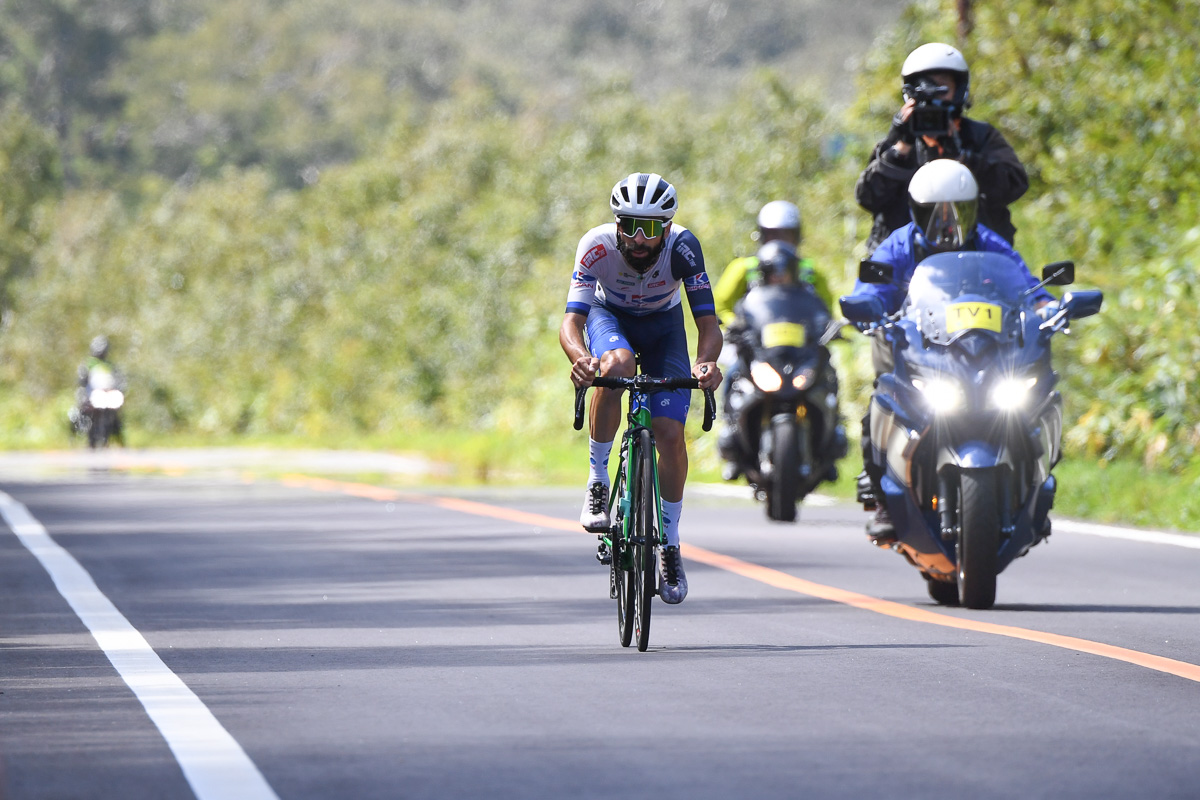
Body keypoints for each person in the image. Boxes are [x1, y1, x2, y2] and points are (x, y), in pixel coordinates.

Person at [845, 159, 1053, 542]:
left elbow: (1028, 288)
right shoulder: (899, 244)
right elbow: (869, 290)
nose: (947, 224)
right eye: (935, 213)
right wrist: (868, 308)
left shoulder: (990, 243)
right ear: (915, 211)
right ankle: (881, 498)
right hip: (914, 349)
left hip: (981, 351)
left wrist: (1047, 308)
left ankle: (1032, 489)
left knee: (1031, 402)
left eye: (958, 212)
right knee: (883, 401)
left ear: (973, 208)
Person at [559, 172, 723, 604]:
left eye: (649, 228)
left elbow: (707, 323)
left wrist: (706, 363)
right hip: (608, 317)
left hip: (664, 329)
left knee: (669, 435)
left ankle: (669, 544)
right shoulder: (596, 246)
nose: (636, 238)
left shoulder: (684, 247)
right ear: (616, 224)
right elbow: (571, 322)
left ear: (666, 228)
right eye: (628, 224)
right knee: (616, 365)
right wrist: (581, 359)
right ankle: (597, 481)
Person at [855, 42, 1029, 253]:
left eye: (942, 88)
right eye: (924, 88)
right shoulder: (896, 141)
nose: (933, 97)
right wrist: (900, 148)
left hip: (976, 259)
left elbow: (1015, 185)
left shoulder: (979, 136)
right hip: (905, 264)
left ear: (959, 89)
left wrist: (963, 157)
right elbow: (867, 198)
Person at [713, 201, 831, 479]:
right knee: (732, 372)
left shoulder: (809, 270)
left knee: (828, 372)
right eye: (773, 235)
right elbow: (719, 303)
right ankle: (729, 431)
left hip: (798, 348)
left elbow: (825, 308)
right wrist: (734, 325)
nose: (780, 242)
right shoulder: (744, 268)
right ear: (761, 236)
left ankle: (830, 436)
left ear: (797, 236)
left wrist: (831, 327)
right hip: (753, 344)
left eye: (786, 235)